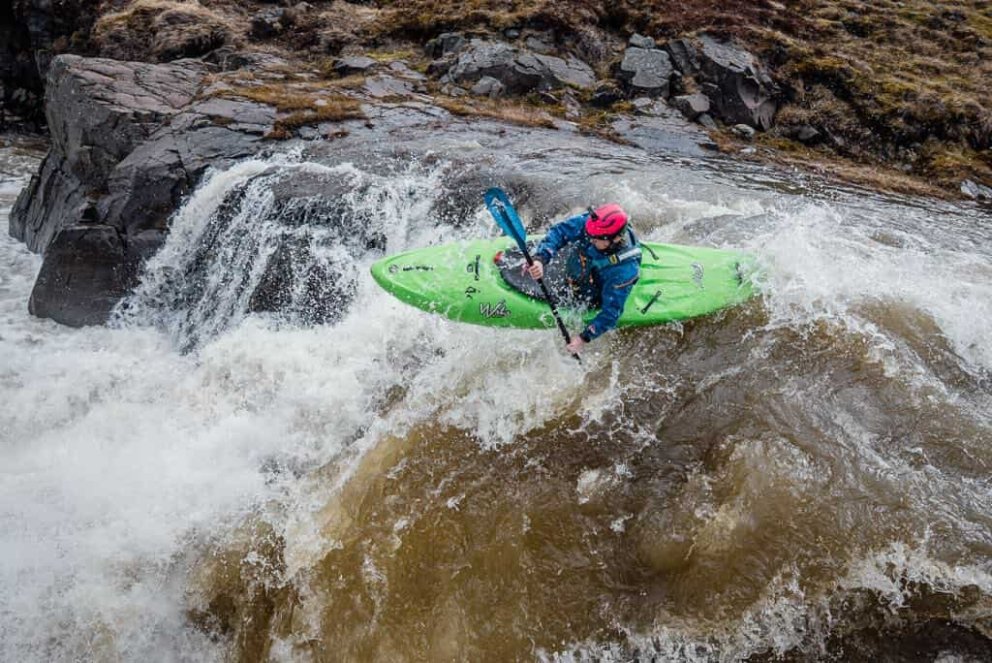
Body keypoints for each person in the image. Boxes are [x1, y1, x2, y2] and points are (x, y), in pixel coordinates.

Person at [525, 203, 641, 354]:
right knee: (580, 243)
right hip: (585, 265)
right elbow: (560, 231)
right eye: (590, 235)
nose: (591, 239)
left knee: (587, 292)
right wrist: (541, 258)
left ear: (616, 238)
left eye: (596, 239)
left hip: (596, 289)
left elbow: (611, 314)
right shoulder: (595, 224)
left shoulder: (623, 272)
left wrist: (583, 338)